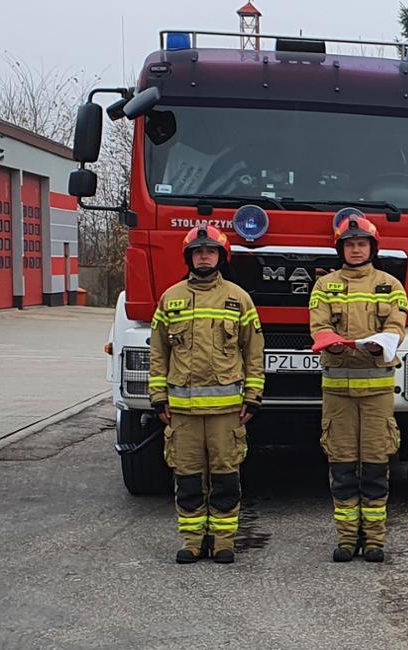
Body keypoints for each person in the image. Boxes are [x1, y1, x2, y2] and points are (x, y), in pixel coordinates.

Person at [149, 223, 264, 563]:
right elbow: (158, 353)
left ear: (220, 256)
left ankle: (224, 541)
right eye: (198, 251)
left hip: (226, 413)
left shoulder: (238, 298)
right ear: (189, 257)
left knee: (226, 478)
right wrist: (158, 397)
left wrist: (253, 397)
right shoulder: (171, 298)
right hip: (182, 412)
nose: (204, 256)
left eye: (210, 251)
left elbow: (253, 352)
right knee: (187, 479)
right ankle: (191, 541)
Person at [310, 210, 407, 563]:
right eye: (349, 244)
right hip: (337, 394)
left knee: (377, 465)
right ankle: (347, 540)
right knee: (343, 466)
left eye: (361, 244)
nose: (355, 250)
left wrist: (385, 342)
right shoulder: (324, 286)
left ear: (372, 247)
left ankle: (375, 541)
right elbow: (318, 326)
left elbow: (396, 326)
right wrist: (330, 342)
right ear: (341, 248)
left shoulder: (390, 285)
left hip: (377, 394)